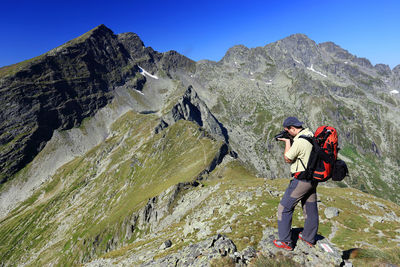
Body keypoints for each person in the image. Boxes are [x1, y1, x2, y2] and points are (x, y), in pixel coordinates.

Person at [273, 116, 318, 251]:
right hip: (312, 179)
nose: (287, 132)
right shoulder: (310, 134)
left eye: (288, 130)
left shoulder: (299, 142)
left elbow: (288, 158)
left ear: (293, 128)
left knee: (284, 208)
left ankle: (285, 241)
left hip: (301, 180)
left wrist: (287, 141)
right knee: (310, 208)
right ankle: (308, 238)